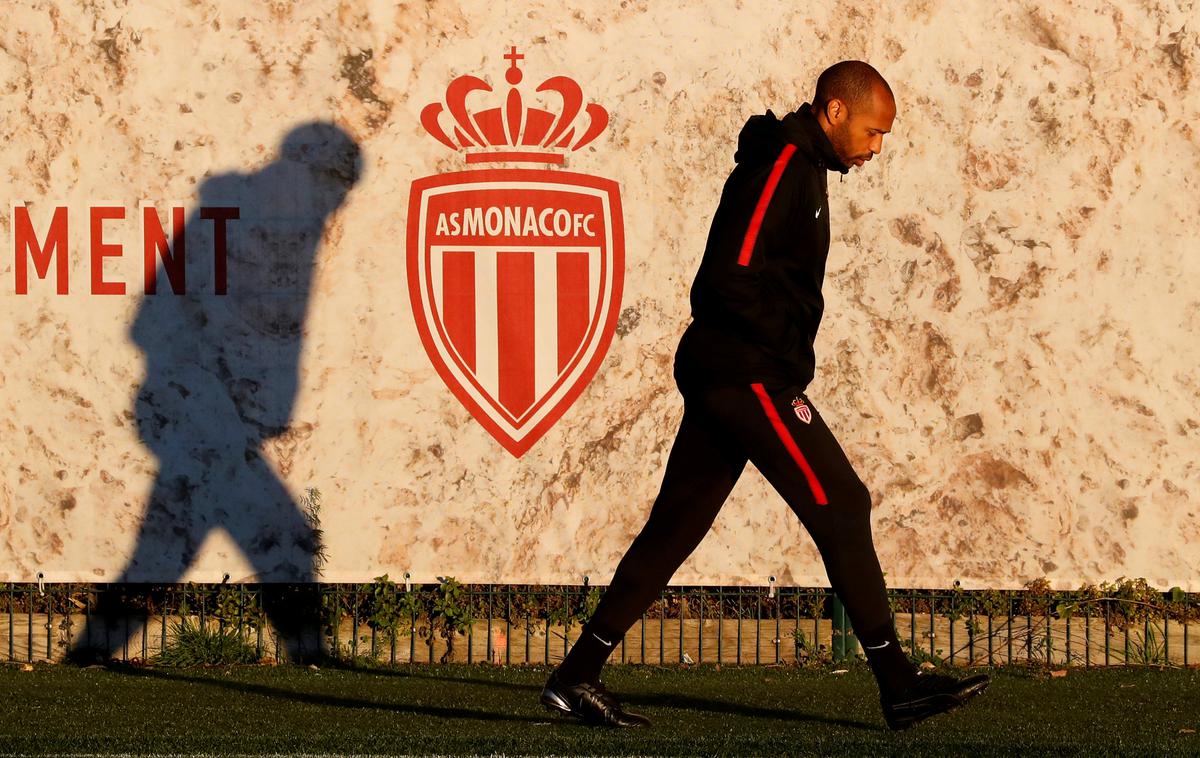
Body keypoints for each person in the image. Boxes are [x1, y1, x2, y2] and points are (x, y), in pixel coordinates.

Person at [540, 61, 989, 730]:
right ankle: (899, 684)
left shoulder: (805, 167)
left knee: (676, 526)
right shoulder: (784, 163)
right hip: (745, 369)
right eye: (872, 131)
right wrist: (779, 354)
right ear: (835, 111)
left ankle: (575, 678)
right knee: (842, 502)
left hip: (739, 367)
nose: (876, 149)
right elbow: (728, 275)